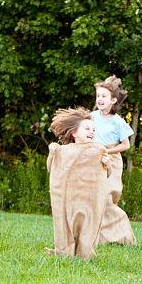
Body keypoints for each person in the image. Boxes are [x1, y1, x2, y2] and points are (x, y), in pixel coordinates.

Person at [46, 107, 111, 259]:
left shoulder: (98, 150)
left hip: (90, 198)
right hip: (69, 197)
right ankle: (65, 250)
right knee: (66, 223)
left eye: (94, 129)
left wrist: (108, 165)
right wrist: (52, 154)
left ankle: (85, 252)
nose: (91, 132)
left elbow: (105, 175)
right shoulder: (63, 151)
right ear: (74, 132)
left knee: (88, 223)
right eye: (87, 128)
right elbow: (53, 171)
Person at [91, 75, 137, 245]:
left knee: (107, 197)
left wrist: (108, 150)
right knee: (95, 197)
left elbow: (125, 145)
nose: (99, 99)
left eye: (103, 96)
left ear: (113, 101)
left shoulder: (118, 122)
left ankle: (123, 235)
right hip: (94, 158)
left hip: (112, 160)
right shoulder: (92, 117)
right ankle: (98, 236)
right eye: (98, 96)